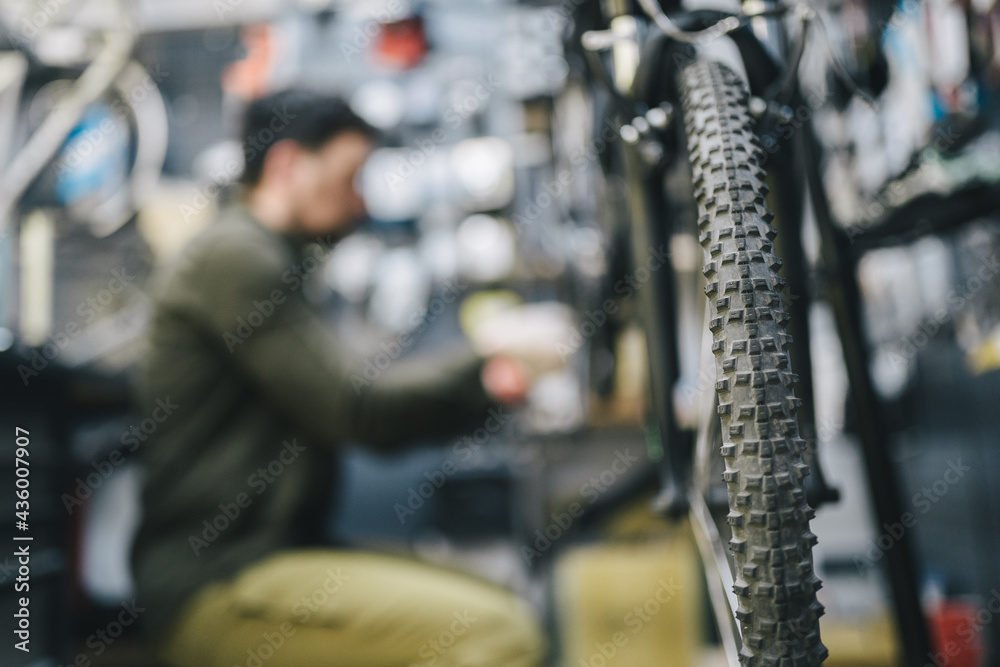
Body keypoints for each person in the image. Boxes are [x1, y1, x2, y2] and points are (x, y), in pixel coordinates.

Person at [130, 89, 546, 667]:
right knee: (497, 635)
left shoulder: (270, 257)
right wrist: (487, 371)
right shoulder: (236, 257)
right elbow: (355, 410)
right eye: (349, 176)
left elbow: (353, 393)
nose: (359, 200)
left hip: (270, 560)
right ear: (286, 165)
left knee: (502, 600)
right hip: (219, 582)